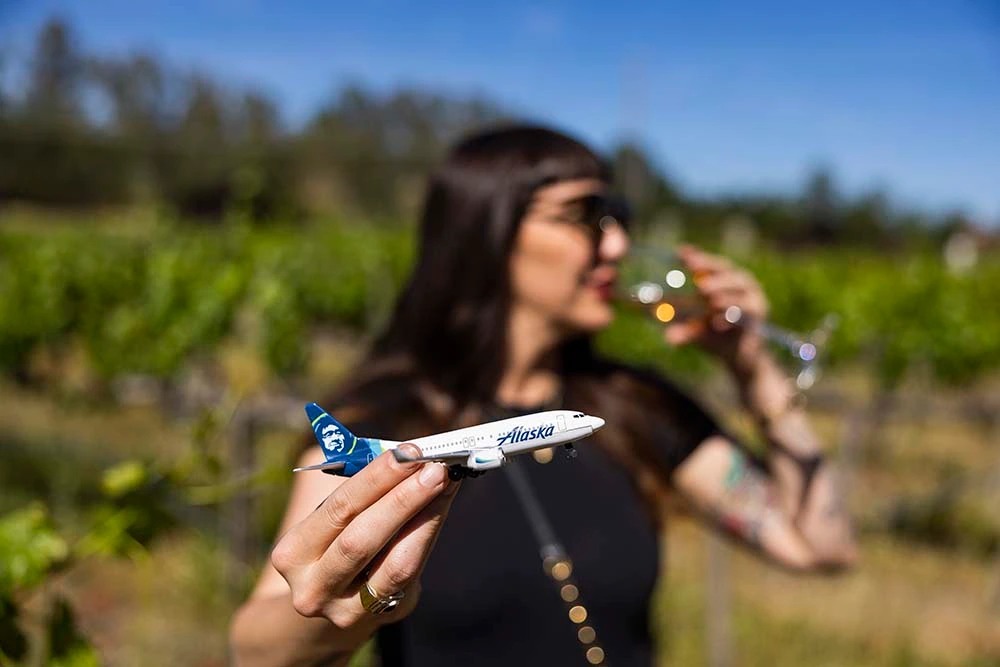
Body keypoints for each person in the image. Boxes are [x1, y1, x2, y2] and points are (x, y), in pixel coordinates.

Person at [229, 125, 857, 666]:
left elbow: (821, 549)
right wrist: (349, 609)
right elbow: (255, 650)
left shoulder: (639, 410)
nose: (617, 244)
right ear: (488, 230)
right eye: (585, 215)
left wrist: (756, 373)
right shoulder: (387, 420)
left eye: (618, 217)